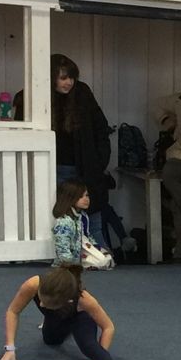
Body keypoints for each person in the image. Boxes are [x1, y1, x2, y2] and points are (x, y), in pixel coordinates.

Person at [0, 265, 127, 360]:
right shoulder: (33, 284)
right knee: (51, 340)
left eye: (46, 303)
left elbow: (108, 327)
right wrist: (10, 348)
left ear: (67, 301)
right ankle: (58, 324)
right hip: (55, 317)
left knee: (88, 345)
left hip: (79, 317)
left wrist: (98, 358)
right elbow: (13, 311)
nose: (42, 305)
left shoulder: (84, 300)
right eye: (41, 300)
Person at [47, 55, 116, 255]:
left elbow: (101, 128)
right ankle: (65, 256)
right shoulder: (36, 94)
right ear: (51, 78)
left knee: (91, 214)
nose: (69, 82)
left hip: (84, 167)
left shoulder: (82, 93)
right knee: (56, 215)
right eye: (63, 78)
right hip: (52, 168)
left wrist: (100, 161)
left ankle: (100, 255)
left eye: (72, 78)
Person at [157, 62, 181, 261]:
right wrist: (167, 122)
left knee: (177, 203)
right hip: (180, 153)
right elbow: (156, 105)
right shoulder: (179, 101)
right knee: (169, 176)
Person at [50, 179, 95, 267]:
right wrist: (72, 266)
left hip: (75, 262)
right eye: (80, 197)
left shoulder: (80, 217)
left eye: (87, 195)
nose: (86, 199)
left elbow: (87, 237)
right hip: (65, 267)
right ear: (70, 198)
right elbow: (63, 250)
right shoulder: (64, 222)